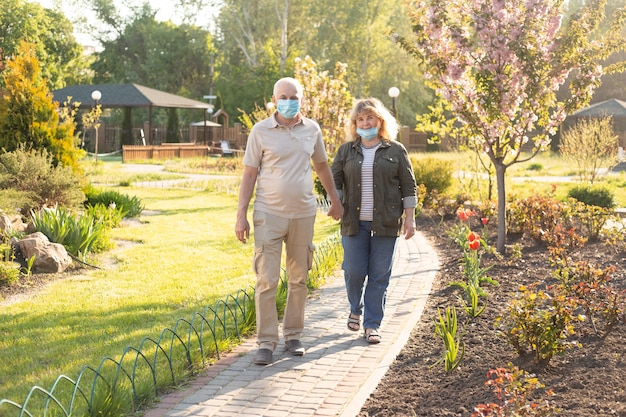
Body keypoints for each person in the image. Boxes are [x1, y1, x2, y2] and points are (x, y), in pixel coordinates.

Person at [235, 77, 343, 365]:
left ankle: (293, 335)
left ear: (301, 99)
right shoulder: (260, 131)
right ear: (274, 98)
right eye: (283, 96)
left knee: (299, 278)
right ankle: (266, 342)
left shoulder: (312, 130)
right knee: (267, 280)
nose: (288, 100)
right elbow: (249, 174)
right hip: (268, 215)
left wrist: (334, 199)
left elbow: (321, 165)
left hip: (303, 214)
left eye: (293, 96)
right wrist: (241, 216)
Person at [331, 97, 417, 344]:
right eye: (360, 119)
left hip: (386, 222)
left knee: (379, 275)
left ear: (380, 121)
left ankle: (372, 325)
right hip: (354, 222)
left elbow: (408, 185)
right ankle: (355, 308)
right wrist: (334, 203)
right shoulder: (346, 151)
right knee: (354, 270)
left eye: (370, 118)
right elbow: (334, 181)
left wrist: (410, 219)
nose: (365, 122)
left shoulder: (396, 150)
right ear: (354, 123)